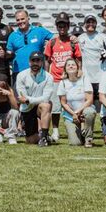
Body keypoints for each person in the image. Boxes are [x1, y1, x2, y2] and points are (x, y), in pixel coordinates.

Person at [43, 13, 81, 143]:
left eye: (64, 25)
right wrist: (46, 75)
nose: (62, 27)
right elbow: (47, 60)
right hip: (55, 79)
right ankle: (55, 131)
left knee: (73, 104)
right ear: (57, 26)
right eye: (60, 25)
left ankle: (76, 128)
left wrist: (79, 72)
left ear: (68, 26)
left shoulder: (72, 42)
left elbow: (78, 59)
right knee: (55, 108)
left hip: (70, 79)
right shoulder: (52, 42)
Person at [15, 52, 54, 146]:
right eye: (33, 60)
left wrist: (29, 100)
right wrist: (28, 100)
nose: (35, 63)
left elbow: (46, 98)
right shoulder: (21, 75)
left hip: (38, 107)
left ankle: (44, 137)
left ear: (42, 62)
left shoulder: (48, 77)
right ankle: (42, 135)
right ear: (29, 62)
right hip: (26, 108)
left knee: (46, 105)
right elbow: (22, 97)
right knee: (31, 140)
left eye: (38, 60)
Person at [57, 58, 95, 147]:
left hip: (84, 111)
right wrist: (73, 114)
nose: (71, 66)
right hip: (70, 115)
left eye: (73, 64)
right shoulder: (63, 83)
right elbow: (63, 103)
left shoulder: (84, 79)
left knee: (89, 112)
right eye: (68, 65)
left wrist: (78, 112)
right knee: (75, 143)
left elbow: (89, 100)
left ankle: (88, 139)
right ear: (65, 69)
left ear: (77, 68)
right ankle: (81, 133)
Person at [6, 9, 53, 80]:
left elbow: (55, 39)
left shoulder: (39, 31)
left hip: (37, 71)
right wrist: (5, 53)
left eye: (22, 19)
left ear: (28, 18)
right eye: (18, 20)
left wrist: (71, 37)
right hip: (18, 72)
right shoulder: (13, 35)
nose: (20, 21)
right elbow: (9, 52)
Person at [77, 15, 106, 102]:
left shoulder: (104, 37)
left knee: (103, 101)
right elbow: (78, 57)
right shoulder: (80, 38)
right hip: (86, 76)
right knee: (88, 102)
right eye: (88, 22)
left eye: (93, 22)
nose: (91, 24)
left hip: (102, 76)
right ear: (84, 24)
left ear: (96, 23)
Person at [0, 75, 23, 144]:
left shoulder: (9, 91)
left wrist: (9, 95)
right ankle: (1, 133)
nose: (1, 88)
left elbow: (16, 108)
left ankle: (11, 136)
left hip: (6, 119)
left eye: (3, 86)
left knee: (15, 112)